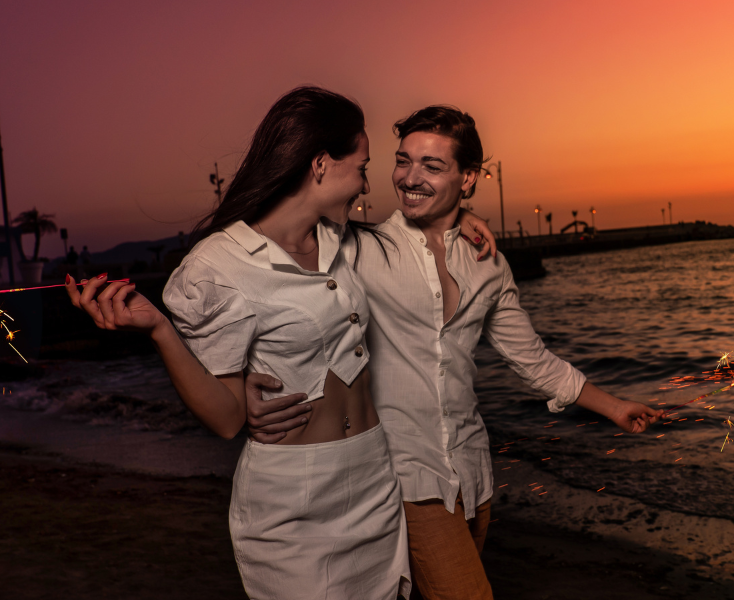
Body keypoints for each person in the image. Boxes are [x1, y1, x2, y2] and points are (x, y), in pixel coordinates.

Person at [64, 87, 495, 599]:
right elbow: (226, 419)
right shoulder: (217, 267)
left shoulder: (342, 241)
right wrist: (161, 330)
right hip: (296, 499)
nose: (365, 181)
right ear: (319, 165)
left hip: (376, 478)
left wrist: (460, 213)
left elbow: (413, 239)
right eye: (361, 166)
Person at [244, 106, 663, 600]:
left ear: (468, 179)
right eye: (403, 161)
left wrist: (615, 407)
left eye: (431, 166)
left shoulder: (488, 262)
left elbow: (532, 359)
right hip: (401, 475)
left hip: (473, 474)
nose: (409, 178)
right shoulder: (360, 249)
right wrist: (245, 377)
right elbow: (278, 270)